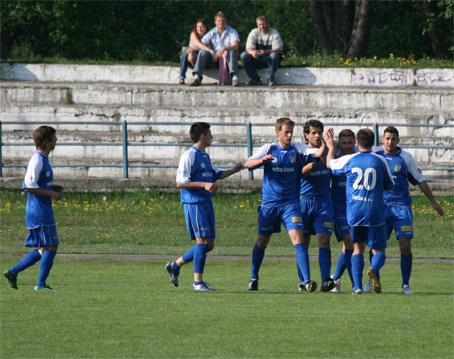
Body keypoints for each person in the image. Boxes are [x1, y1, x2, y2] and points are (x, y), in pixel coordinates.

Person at [245, 117, 326, 292]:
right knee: (262, 241)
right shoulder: (269, 148)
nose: (289, 135)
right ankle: (253, 277)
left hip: (291, 204)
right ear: (278, 132)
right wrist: (262, 161)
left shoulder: (298, 149)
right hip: (270, 205)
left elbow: (318, 153)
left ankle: (306, 281)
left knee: (299, 241)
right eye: (286, 132)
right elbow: (247, 164)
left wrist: (325, 142)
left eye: (291, 131)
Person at [362, 126, 444, 294]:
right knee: (376, 247)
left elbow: (420, 180)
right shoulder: (375, 157)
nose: (390, 142)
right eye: (387, 138)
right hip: (381, 208)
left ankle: (405, 285)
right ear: (382, 140)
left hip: (401, 209)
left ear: (398, 140)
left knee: (405, 246)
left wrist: (434, 202)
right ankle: (372, 279)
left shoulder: (406, 158)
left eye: (393, 139)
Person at [166, 122, 244, 291]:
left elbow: (216, 174)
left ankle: (176, 265)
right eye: (210, 133)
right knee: (202, 242)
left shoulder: (205, 156)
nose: (212, 136)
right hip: (194, 203)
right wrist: (204, 185)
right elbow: (180, 183)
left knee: (209, 245)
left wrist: (234, 170)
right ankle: (197, 283)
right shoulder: (189, 155)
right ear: (202, 136)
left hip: (206, 202)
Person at [326, 128, 394, 294]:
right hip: (374, 211)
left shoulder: (349, 159)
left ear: (357, 143)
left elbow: (329, 164)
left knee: (357, 249)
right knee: (379, 250)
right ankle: (373, 269)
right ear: (373, 143)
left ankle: (357, 287)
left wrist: (330, 148)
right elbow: (390, 185)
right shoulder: (380, 160)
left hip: (355, 211)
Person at [3, 126, 63, 291]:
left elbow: (36, 183)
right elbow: (28, 186)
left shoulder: (43, 159)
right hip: (39, 212)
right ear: (46, 141)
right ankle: (41, 284)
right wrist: (50, 193)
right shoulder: (37, 160)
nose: (56, 140)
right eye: (54, 138)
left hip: (42, 210)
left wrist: (52, 187)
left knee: (44, 248)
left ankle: (13, 272)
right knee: (52, 245)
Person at [297, 120, 335, 292]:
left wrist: (332, 144)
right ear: (306, 135)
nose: (317, 135)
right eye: (313, 132)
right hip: (303, 201)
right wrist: (313, 164)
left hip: (323, 201)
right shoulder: (301, 152)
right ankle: (304, 281)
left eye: (320, 132)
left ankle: (326, 279)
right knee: (303, 242)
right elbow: (300, 175)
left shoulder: (330, 149)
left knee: (324, 240)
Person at [329, 129, 356, 292]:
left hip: (356, 209)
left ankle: (335, 279)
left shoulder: (359, 157)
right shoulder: (334, 156)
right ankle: (356, 284)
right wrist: (334, 144)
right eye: (343, 142)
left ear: (355, 143)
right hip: (338, 208)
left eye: (350, 142)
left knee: (349, 246)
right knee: (349, 242)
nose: (346, 146)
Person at [189, 11, 240, 87]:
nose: (221, 23)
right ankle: (197, 78)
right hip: (214, 59)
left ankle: (235, 78)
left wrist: (224, 49)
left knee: (231, 52)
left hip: (227, 60)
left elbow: (236, 46)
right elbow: (201, 45)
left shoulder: (232, 32)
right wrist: (209, 50)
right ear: (215, 22)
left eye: (223, 21)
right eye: (219, 21)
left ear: (226, 22)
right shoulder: (212, 32)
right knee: (203, 52)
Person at [241, 15, 283, 87]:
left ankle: (270, 79)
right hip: (257, 58)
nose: (262, 26)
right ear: (257, 25)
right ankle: (254, 78)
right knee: (244, 55)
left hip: (270, 59)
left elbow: (278, 50)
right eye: (259, 25)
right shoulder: (254, 32)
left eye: (263, 24)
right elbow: (248, 48)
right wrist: (253, 52)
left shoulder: (274, 33)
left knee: (274, 55)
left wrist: (265, 52)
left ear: (267, 23)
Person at [179, 19, 211, 85]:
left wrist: (193, 50)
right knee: (185, 54)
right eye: (198, 27)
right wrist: (191, 52)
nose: (199, 29)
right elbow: (198, 44)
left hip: (202, 57)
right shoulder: (193, 34)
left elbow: (208, 48)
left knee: (199, 54)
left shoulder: (209, 36)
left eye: (202, 27)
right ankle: (181, 77)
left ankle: (197, 77)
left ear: (206, 27)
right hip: (193, 55)